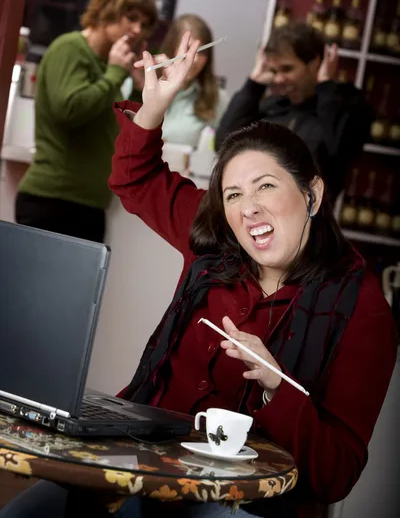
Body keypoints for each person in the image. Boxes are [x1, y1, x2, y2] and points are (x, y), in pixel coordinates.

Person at [1, 34, 396, 518]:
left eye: (266, 186)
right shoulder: (214, 240)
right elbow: (136, 179)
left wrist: (277, 384)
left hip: (245, 506)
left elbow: (337, 474)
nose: (248, 207)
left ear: (311, 194)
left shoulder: (363, 305)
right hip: (142, 466)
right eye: (232, 195)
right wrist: (153, 107)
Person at [15, 0, 157, 243]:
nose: (138, 29)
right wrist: (115, 73)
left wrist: (140, 87)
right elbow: (68, 111)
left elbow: (132, 134)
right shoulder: (71, 49)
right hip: (52, 202)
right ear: (107, 9)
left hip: (88, 207)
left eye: (145, 24)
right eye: (131, 17)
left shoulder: (108, 67)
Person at [215, 22, 374, 203]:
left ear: (315, 63)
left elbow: (340, 150)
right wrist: (254, 84)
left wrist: (325, 87)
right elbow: (223, 144)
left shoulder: (345, 106)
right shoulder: (273, 105)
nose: (279, 79)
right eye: (274, 71)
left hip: (310, 223)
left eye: (288, 69)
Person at [132, 14, 229, 148]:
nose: (194, 59)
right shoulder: (138, 85)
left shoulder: (218, 99)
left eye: (202, 52)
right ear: (172, 48)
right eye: (188, 50)